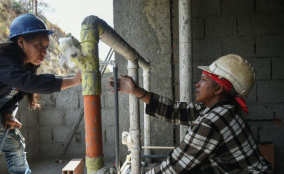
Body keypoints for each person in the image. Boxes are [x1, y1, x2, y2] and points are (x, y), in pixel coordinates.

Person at [109, 54, 272, 173]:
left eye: (203, 80)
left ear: (219, 88)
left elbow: (174, 165)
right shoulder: (226, 108)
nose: (197, 84)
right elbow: (177, 111)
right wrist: (136, 91)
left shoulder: (211, 122)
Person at [0, 13, 82, 174]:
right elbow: (29, 83)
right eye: (39, 45)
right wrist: (73, 81)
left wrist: (8, 113)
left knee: (14, 145)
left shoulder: (25, 65)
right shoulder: (3, 58)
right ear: (21, 42)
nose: (44, 52)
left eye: (46, 46)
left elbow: (15, 93)